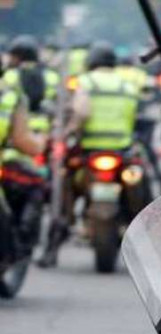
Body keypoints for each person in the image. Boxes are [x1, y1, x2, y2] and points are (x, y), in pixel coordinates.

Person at [39, 40, 139, 267]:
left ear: (90, 62)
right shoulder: (127, 86)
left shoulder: (84, 82)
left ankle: (62, 226)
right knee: (140, 178)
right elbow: (133, 117)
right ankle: (137, 219)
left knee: (63, 178)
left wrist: (69, 130)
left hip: (89, 151)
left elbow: (81, 112)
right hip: (121, 151)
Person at [1, 35, 58, 259]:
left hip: (26, 142)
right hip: (38, 137)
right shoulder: (50, 77)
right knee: (39, 182)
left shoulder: (12, 78)